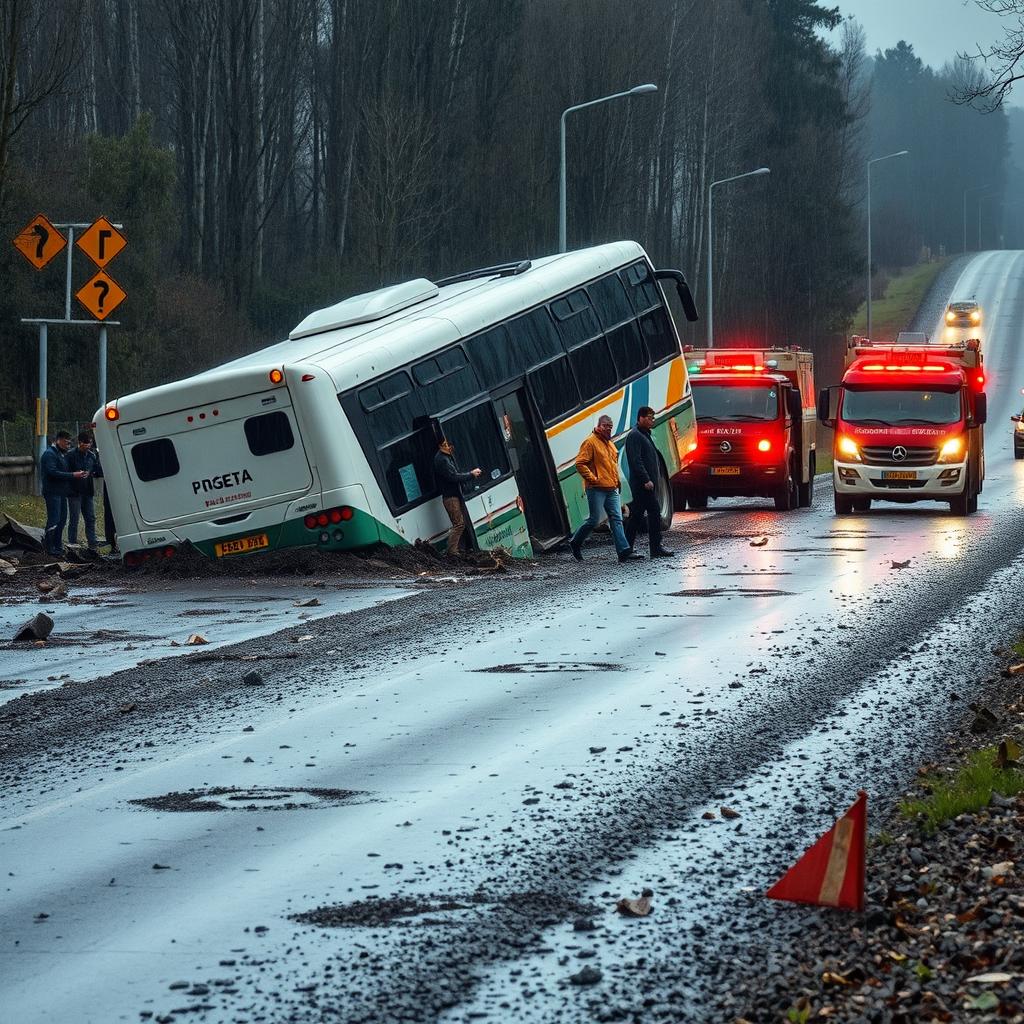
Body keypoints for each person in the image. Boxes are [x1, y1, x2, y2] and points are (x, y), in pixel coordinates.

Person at [569, 414, 642, 563]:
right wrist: (593, 479)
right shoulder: (590, 442)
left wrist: (617, 483)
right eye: (605, 426)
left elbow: (613, 466)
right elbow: (580, 464)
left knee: (616, 518)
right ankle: (576, 542)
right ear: (599, 426)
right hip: (596, 489)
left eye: (610, 427)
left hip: (612, 488)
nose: (608, 429)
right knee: (594, 520)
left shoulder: (609, 444)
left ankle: (624, 552)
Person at [624, 406, 674, 558]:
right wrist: (646, 479)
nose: (652, 421)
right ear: (641, 418)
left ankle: (626, 549)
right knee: (653, 512)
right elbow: (636, 461)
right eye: (650, 418)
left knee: (636, 516)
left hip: (645, 485)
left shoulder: (644, 434)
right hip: (642, 486)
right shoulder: (635, 436)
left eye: (653, 418)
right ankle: (655, 548)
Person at [39, 430, 88, 557]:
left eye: (69, 443)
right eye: (66, 443)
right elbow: (52, 472)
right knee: (54, 519)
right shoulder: (50, 454)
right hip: (52, 492)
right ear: (59, 440)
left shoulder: (61, 454)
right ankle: (49, 547)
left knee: (62, 520)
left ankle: (57, 545)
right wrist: (73, 475)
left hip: (61, 493)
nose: (68, 445)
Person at [433, 437, 482, 555]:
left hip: (453, 495)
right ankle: (452, 550)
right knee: (459, 524)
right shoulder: (442, 460)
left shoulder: (445, 458)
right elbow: (453, 477)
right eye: (445, 445)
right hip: (450, 497)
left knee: (462, 523)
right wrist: (471, 474)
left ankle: (460, 548)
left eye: (449, 444)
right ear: (440, 446)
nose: (449, 447)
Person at [65, 430, 101, 552]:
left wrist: (90, 473)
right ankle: (72, 544)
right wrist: (75, 475)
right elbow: (65, 473)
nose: (88, 446)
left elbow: (95, 469)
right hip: (74, 492)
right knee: (74, 519)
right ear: (80, 443)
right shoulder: (70, 455)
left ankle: (92, 544)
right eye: (86, 443)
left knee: (90, 518)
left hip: (87, 491)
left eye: (90, 443)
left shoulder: (92, 455)